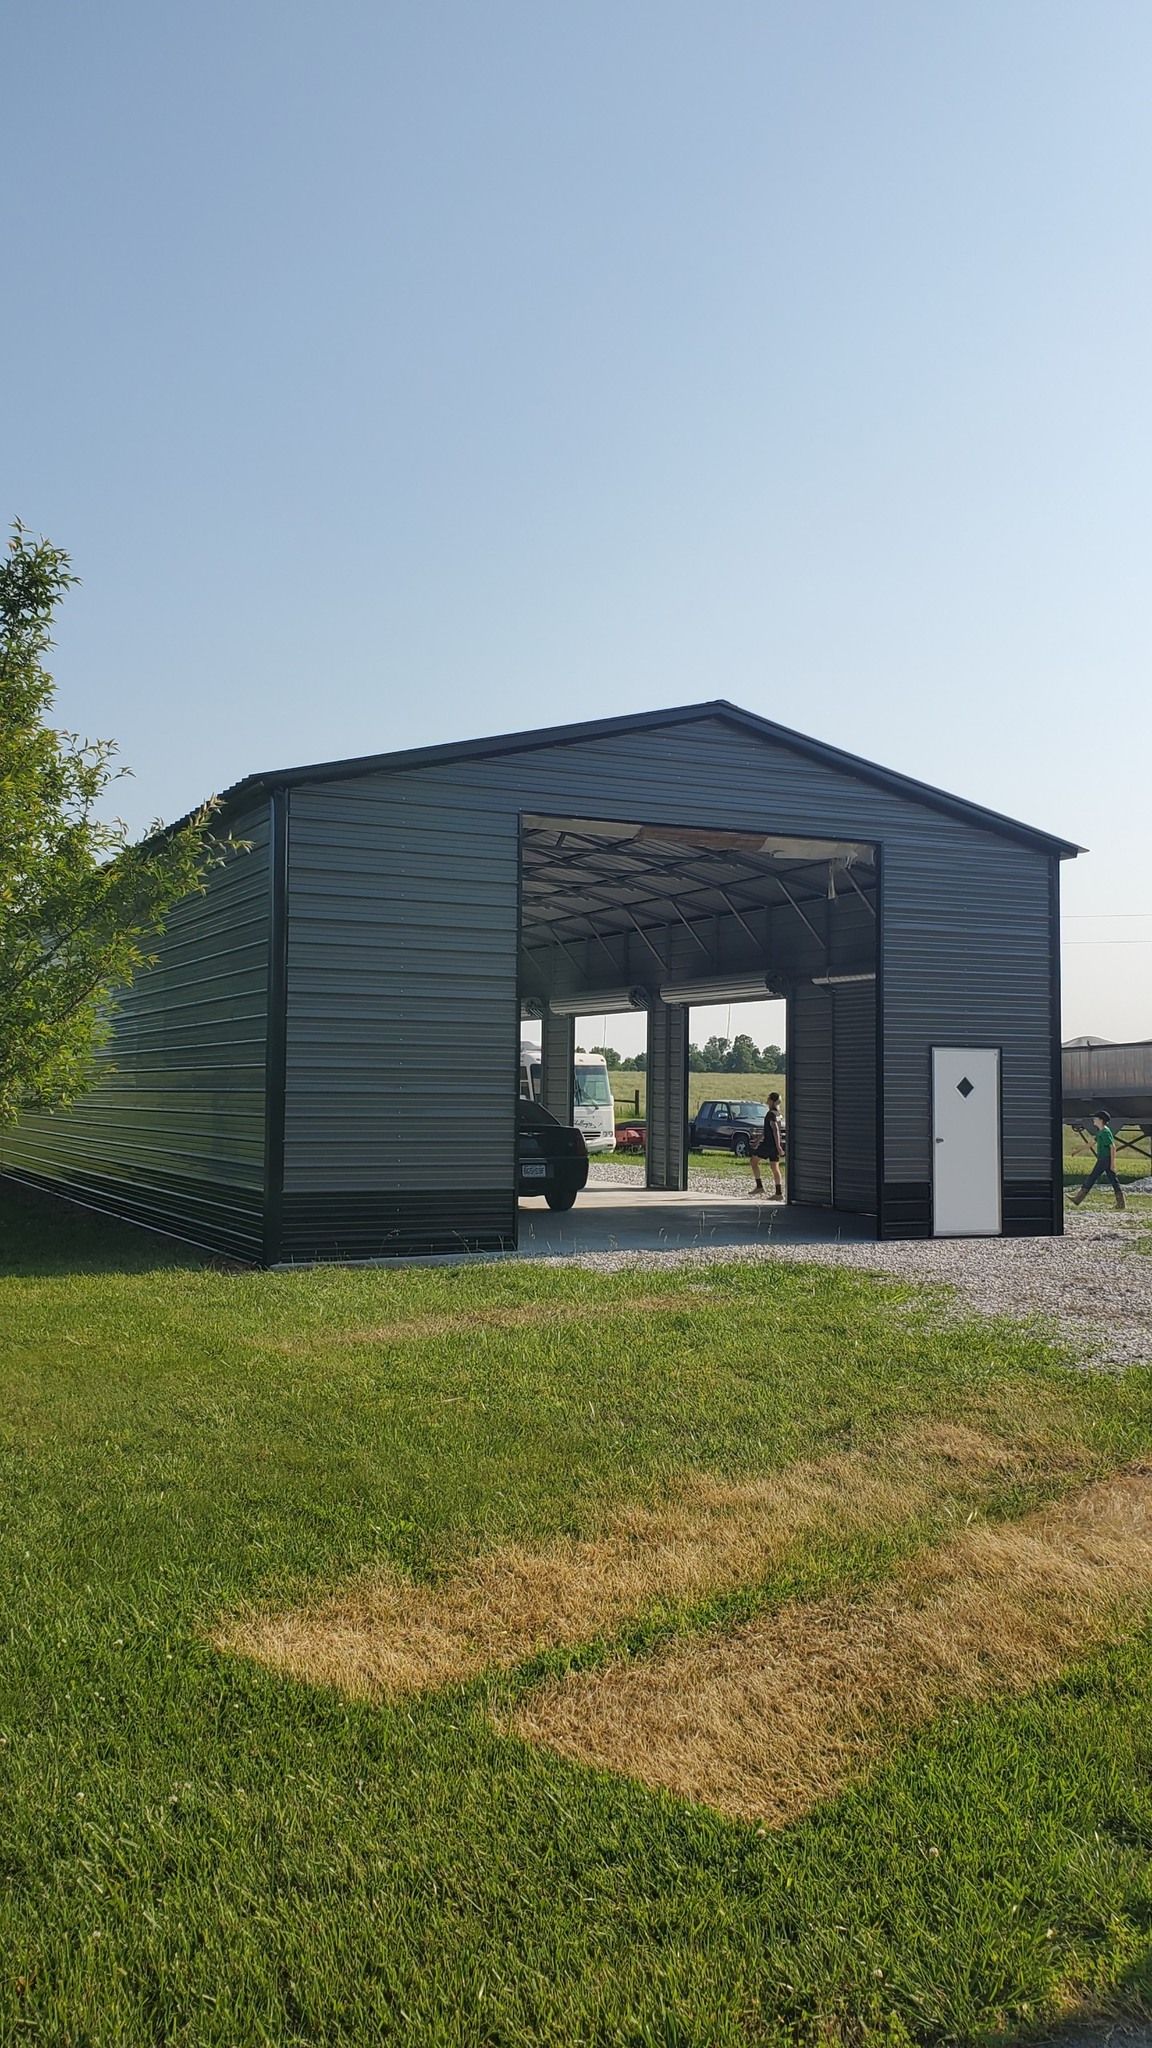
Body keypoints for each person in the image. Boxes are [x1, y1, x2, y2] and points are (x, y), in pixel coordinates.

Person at [1070, 1111, 1126, 1210]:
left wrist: (1112, 1164)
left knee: (1092, 1177)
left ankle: (1078, 1198)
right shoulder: (1101, 1131)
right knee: (1113, 1180)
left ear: (1101, 1120)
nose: (1093, 1120)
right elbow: (1091, 1143)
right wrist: (1077, 1151)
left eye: (1095, 1119)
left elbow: (1112, 1147)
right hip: (1103, 1159)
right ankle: (1121, 1203)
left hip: (1105, 1159)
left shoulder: (1105, 1132)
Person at [750, 1092, 785, 1200]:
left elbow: (775, 1130)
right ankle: (779, 1193)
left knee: (753, 1161)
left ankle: (759, 1186)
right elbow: (768, 1130)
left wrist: (778, 1146)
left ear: (771, 1101)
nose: (767, 1100)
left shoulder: (770, 1114)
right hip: (773, 1145)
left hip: (768, 1145)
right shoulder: (778, 1114)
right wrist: (758, 1140)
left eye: (768, 1098)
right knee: (775, 1168)